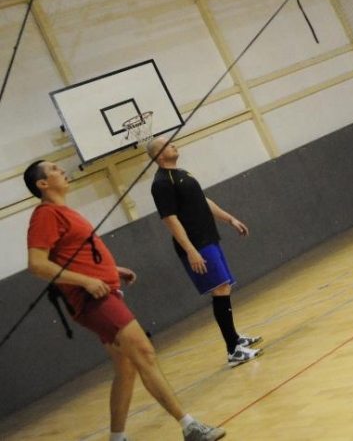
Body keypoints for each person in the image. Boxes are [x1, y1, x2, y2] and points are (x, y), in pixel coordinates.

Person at [23, 160, 226, 441]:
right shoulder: (45, 215)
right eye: (55, 170)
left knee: (126, 366)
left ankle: (117, 438)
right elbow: (37, 264)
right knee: (145, 353)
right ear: (42, 184)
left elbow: (77, 256)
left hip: (103, 293)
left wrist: (111, 270)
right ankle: (190, 427)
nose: (62, 171)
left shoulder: (64, 212)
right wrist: (86, 281)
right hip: (93, 300)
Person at [147, 138, 262, 367]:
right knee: (220, 289)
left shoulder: (182, 174)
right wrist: (190, 249)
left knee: (225, 286)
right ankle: (233, 350)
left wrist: (230, 219)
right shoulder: (161, 183)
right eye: (167, 145)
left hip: (209, 237)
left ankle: (235, 338)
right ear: (158, 155)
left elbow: (203, 200)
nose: (173, 145)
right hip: (196, 244)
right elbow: (169, 219)